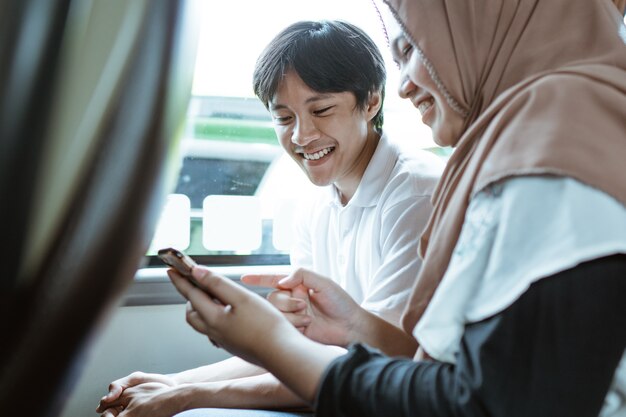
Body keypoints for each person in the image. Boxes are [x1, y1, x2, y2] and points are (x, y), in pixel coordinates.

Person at [165, 0, 626, 416]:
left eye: (415, 50)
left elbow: (479, 401)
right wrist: (348, 327)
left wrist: (269, 343)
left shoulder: (555, 155)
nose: (404, 86)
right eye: (284, 119)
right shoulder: (519, 147)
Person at [97, 19, 443, 417]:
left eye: (321, 110)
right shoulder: (314, 205)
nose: (300, 135)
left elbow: (377, 368)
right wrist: (174, 382)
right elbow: (296, 350)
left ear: (372, 102)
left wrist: (191, 395)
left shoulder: (415, 196)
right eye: (284, 118)